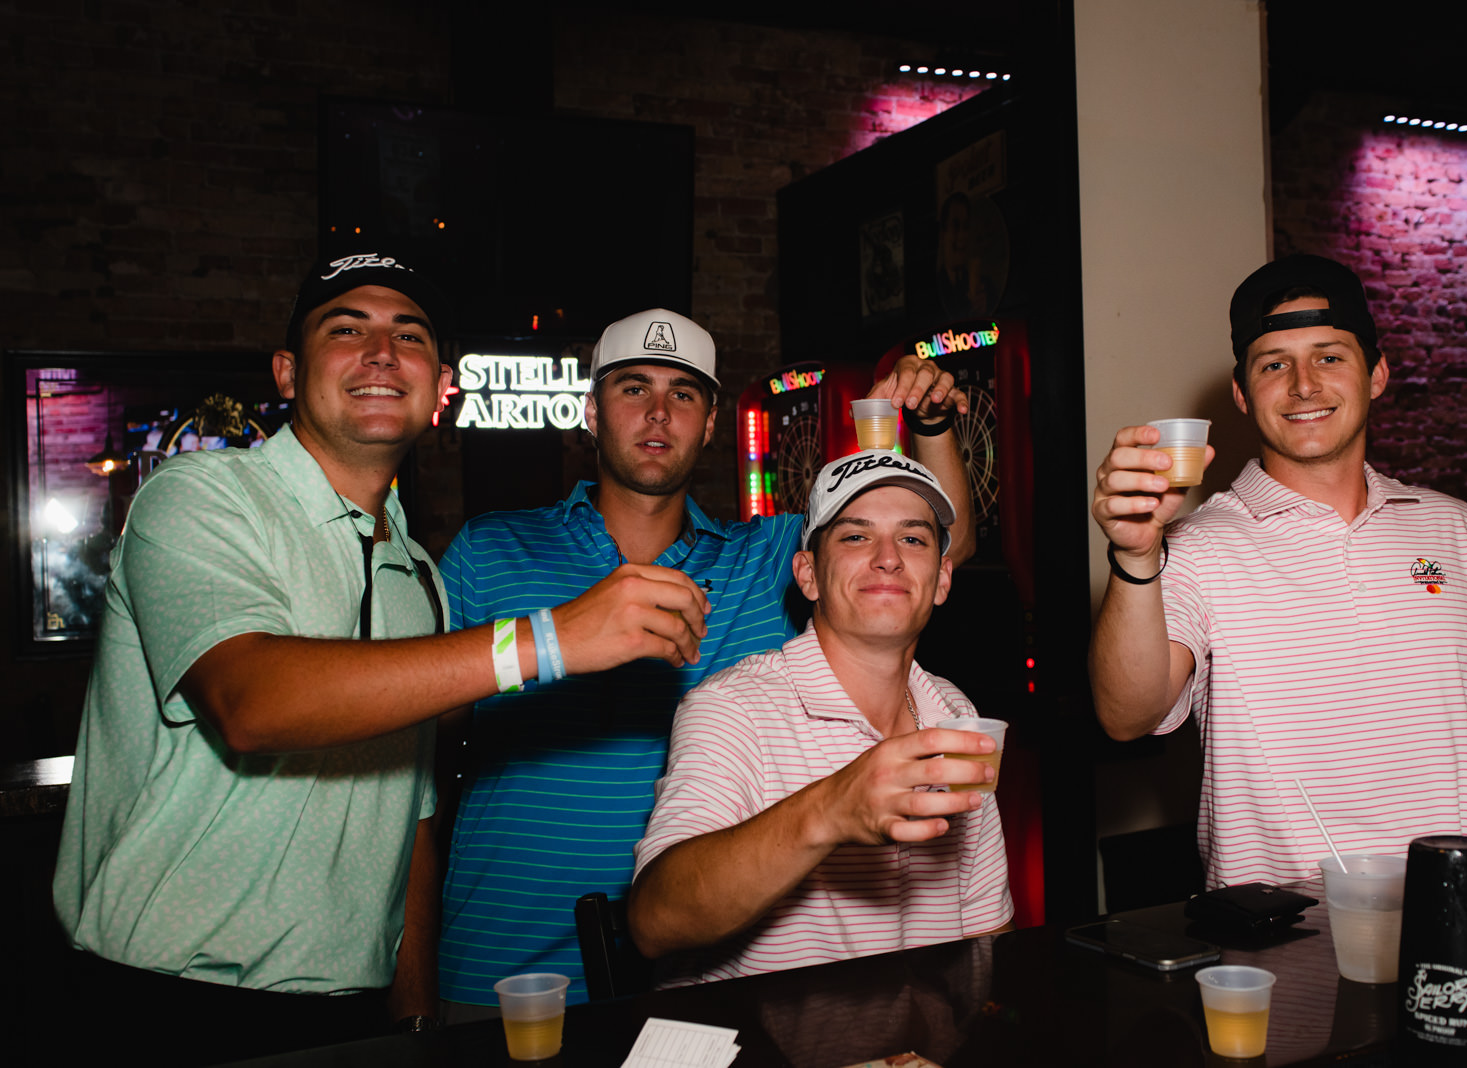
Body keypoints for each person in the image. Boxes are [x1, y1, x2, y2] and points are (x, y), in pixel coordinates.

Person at [49, 254, 707, 1062]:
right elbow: (251, 702)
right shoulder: (201, 496)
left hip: (353, 1010)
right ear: (287, 372)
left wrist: (416, 1011)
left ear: (440, 387)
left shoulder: (419, 574)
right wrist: (548, 638)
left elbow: (415, 813)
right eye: (346, 329)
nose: (383, 354)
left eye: (410, 336)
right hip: (169, 998)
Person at [436, 309, 976, 1009]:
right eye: (633, 388)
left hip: (696, 955)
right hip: (499, 960)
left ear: (712, 423)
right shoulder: (491, 550)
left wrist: (931, 421)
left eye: (683, 394)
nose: (659, 412)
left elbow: (927, 547)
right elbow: (420, 769)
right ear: (591, 412)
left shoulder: (761, 558)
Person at [1088, 253, 1467, 888]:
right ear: (1243, 394)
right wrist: (1136, 558)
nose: (1304, 385)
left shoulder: (1452, 526)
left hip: (1456, 910)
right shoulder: (1196, 545)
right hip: (1283, 928)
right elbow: (1126, 716)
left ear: (1376, 374)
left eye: (1329, 356)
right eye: (1274, 364)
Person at [628, 449, 1012, 984]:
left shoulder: (955, 712)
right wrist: (832, 809)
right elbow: (655, 921)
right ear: (808, 575)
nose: (888, 558)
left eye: (913, 538)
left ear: (942, 579)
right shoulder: (734, 708)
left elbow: (987, 934)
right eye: (855, 536)